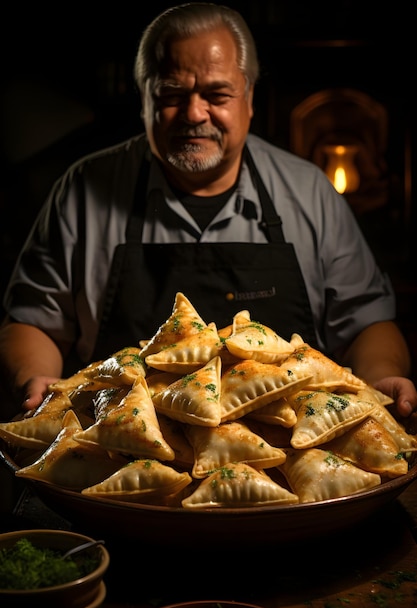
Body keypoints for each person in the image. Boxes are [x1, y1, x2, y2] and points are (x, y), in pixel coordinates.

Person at [0, 2, 415, 423]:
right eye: (172, 95)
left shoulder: (309, 192)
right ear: (144, 98)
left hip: (286, 450)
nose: (195, 114)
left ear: (249, 97)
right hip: (116, 448)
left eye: (216, 95)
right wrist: (35, 379)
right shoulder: (82, 190)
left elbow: (368, 323)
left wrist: (382, 377)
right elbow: (31, 322)